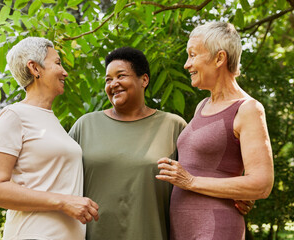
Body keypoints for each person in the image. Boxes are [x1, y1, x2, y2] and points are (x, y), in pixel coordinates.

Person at [156, 21, 274, 240]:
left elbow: (261, 184)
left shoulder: (248, 109)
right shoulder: (202, 106)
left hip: (215, 228)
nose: (186, 64)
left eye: (192, 55)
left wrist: (190, 181)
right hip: (181, 229)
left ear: (219, 58)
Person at [0, 37, 99, 240]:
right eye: (58, 63)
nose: (65, 72)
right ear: (35, 68)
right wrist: (63, 202)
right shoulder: (14, 115)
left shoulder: (53, 123)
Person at [69, 47, 187, 239]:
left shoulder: (173, 126)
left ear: (144, 80)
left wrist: (233, 196)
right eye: (108, 79)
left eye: (121, 76)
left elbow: (196, 179)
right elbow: (57, 176)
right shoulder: (85, 125)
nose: (113, 84)